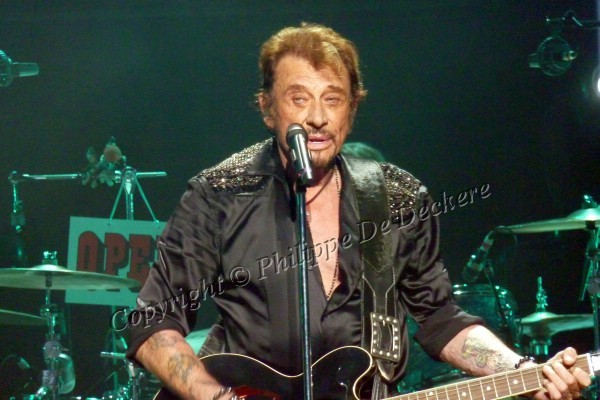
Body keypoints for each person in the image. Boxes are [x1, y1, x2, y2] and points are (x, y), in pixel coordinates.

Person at [126, 23, 591, 400]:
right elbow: (153, 322)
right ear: (267, 108)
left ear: (352, 108)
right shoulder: (219, 195)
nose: (317, 117)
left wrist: (522, 370)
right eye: (298, 98)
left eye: (333, 99)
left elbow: (440, 319)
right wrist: (219, 398)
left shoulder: (396, 197)